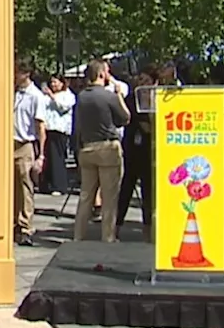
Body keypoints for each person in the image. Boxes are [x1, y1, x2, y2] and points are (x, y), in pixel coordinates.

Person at [73, 59, 130, 243]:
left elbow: (78, 126)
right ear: (101, 74)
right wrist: (119, 95)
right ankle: (108, 237)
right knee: (109, 197)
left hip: (87, 148)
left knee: (86, 196)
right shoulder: (109, 96)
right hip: (107, 148)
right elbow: (125, 118)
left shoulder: (81, 97)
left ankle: (78, 236)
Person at [116, 66, 158, 239]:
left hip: (150, 151)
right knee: (126, 188)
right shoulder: (132, 99)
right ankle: (116, 226)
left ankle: (148, 229)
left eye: (146, 81)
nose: (142, 84)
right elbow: (126, 118)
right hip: (132, 148)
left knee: (148, 191)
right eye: (140, 80)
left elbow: (153, 127)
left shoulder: (158, 100)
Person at [13, 59, 46, 246]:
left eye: (17, 72)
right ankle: (12, 222)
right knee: (11, 187)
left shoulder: (36, 96)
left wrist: (41, 154)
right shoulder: (14, 93)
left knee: (25, 186)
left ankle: (25, 226)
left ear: (26, 74)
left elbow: (40, 126)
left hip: (25, 144)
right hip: (9, 142)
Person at [39, 74, 76, 195]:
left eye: (56, 82)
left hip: (60, 130)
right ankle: (47, 184)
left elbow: (63, 107)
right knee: (48, 158)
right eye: (52, 82)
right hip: (48, 129)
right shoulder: (47, 97)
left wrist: (52, 96)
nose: (53, 85)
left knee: (57, 158)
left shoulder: (68, 96)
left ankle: (59, 185)